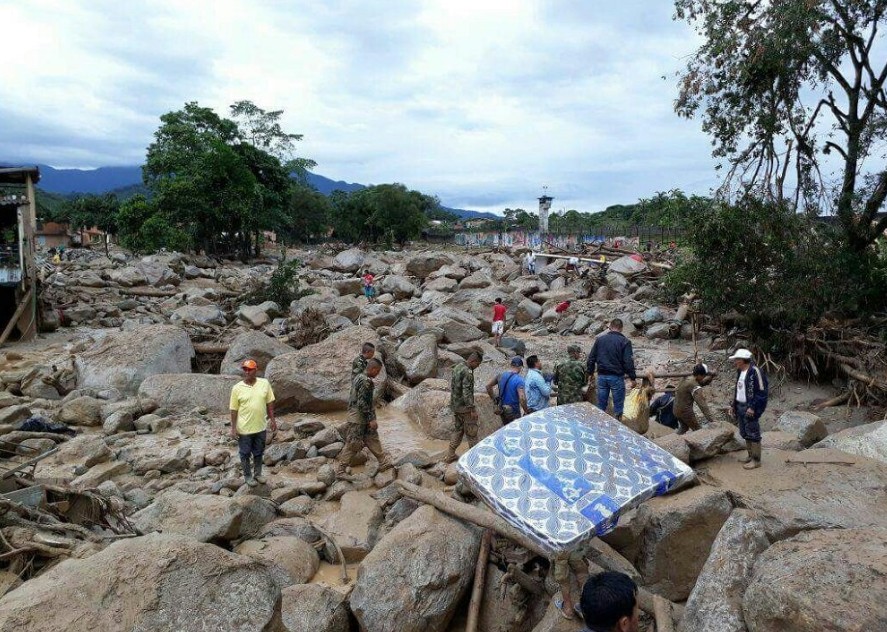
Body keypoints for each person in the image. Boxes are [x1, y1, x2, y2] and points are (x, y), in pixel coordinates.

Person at [338, 358, 392, 474]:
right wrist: (371, 419)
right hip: (358, 418)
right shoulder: (366, 381)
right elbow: (362, 403)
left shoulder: (358, 377)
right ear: (373, 369)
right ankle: (341, 470)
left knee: (372, 437)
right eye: (377, 371)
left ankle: (383, 461)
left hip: (359, 416)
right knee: (353, 443)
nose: (377, 374)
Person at [229, 359, 276, 487]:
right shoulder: (237, 388)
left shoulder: (264, 383)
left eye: (250, 369)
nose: (247, 372)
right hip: (244, 429)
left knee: (259, 452)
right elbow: (233, 410)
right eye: (245, 369)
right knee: (244, 453)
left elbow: (270, 402)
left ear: (256, 370)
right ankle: (248, 476)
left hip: (260, 426)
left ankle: (258, 474)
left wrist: (272, 420)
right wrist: (233, 429)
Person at [586, 319, 637, 420]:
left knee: (601, 405)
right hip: (616, 377)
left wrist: (590, 373)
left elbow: (591, 358)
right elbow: (628, 362)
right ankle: (617, 427)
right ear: (621, 328)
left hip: (601, 376)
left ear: (610, 327)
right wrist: (632, 377)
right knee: (618, 407)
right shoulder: (625, 342)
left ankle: (600, 426)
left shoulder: (600, 340)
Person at [729, 349, 768, 469]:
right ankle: (750, 456)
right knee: (744, 432)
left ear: (742, 360)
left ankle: (756, 460)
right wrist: (733, 405)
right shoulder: (739, 371)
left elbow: (762, 392)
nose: (735, 362)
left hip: (750, 406)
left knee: (753, 432)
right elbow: (738, 390)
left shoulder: (756, 371)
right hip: (740, 405)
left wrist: (752, 407)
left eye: (736, 360)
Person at [445, 351, 483, 463]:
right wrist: (472, 409)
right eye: (478, 364)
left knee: (458, 430)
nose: (478, 366)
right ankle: (474, 459)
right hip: (465, 408)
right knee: (472, 432)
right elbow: (466, 392)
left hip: (455, 405)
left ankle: (450, 454)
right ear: (473, 361)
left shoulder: (458, 367)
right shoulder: (468, 372)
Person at [673, 363, 716, 433]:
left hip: (676, 409)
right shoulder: (694, 385)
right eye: (704, 376)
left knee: (684, 428)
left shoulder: (687, 377)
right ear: (699, 375)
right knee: (698, 430)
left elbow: (700, 382)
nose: (704, 377)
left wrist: (710, 377)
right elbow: (702, 403)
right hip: (685, 412)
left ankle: (672, 441)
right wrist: (711, 419)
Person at [486, 356, 528, 424]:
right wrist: (526, 411)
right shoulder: (519, 380)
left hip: (502, 409)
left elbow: (488, 386)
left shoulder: (500, 375)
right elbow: (522, 398)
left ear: (511, 365)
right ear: (520, 367)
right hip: (513, 411)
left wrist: (494, 400)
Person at [553, 545, 589, 620]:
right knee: (580, 569)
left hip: (560, 544)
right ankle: (585, 605)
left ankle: (568, 608)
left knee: (562, 577)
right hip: (575, 539)